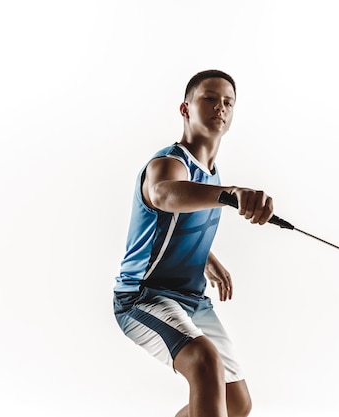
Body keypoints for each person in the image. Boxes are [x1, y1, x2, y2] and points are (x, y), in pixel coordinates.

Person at [114, 69, 274, 417]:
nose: (220, 107)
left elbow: (174, 226)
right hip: (143, 297)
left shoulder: (211, 173)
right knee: (204, 363)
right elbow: (165, 195)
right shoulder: (168, 163)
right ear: (185, 109)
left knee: (237, 403)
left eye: (228, 102)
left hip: (191, 299)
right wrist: (229, 194)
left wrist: (207, 259)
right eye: (209, 98)